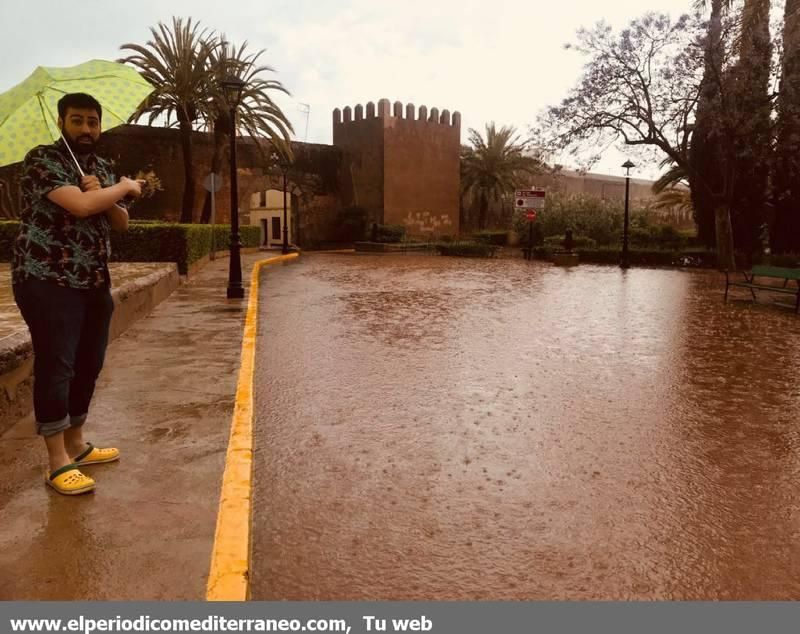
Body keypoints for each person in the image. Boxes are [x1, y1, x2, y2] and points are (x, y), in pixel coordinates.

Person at [11, 92, 142, 495]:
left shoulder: (99, 166)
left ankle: (77, 444)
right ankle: (56, 462)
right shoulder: (42, 160)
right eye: (78, 121)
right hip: (46, 279)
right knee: (57, 364)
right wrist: (123, 187)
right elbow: (81, 207)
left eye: (93, 122)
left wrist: (108, 192)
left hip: (92, 279)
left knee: (89, 362)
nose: (87, 129)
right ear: (61, 122)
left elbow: (120, 224)